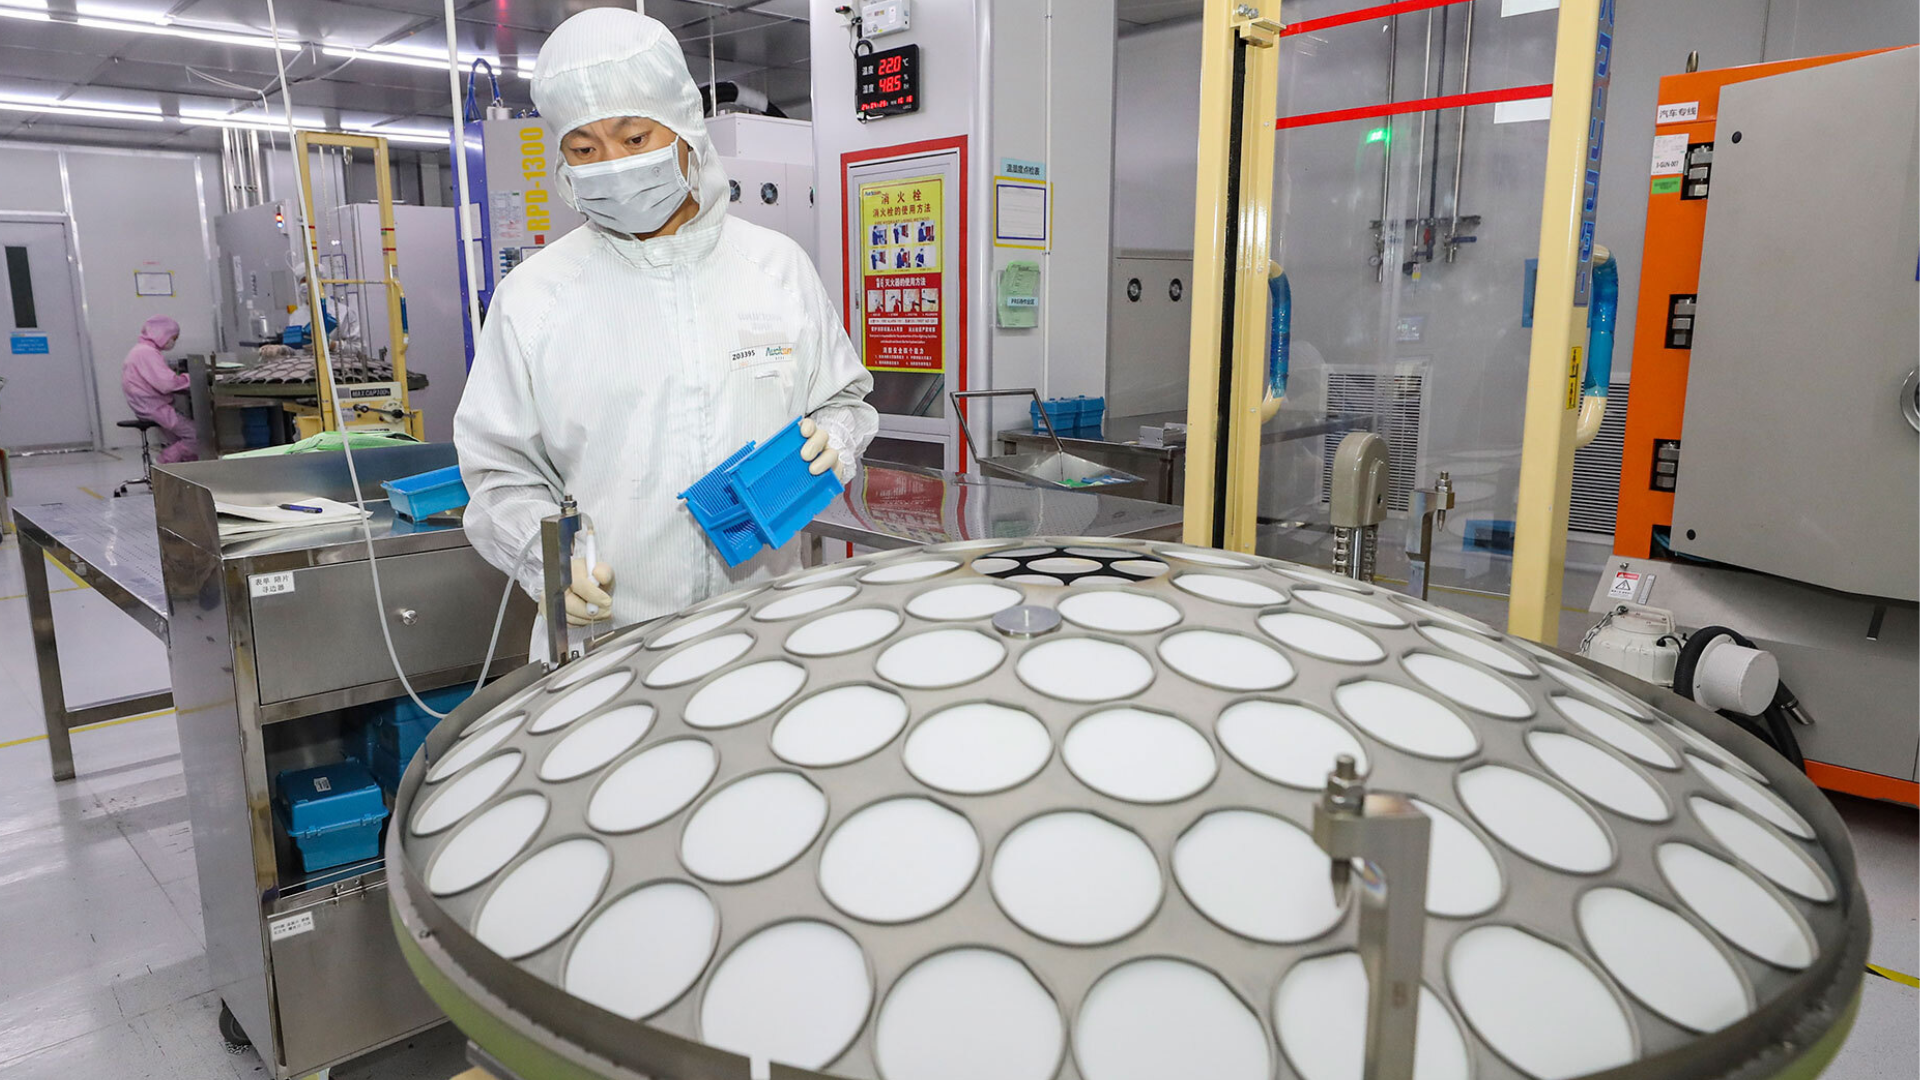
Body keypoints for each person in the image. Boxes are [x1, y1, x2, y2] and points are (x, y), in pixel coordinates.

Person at [456, 8, 877, 644]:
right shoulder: (533, 299)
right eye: (584, 148)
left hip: (759, 629)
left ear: (684, 130)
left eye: (633, 139)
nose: (612, 164)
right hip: (608, 642)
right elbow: (499, 474)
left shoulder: (774, 267)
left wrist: (838, 438)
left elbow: (843, 399)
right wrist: (546, 557)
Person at [120, 315, 197, 464]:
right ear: (162, 334)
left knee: (180, 440)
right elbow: (167, 384)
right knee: (197, 436)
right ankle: (162, 464)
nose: (173, 342)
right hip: (155, 408)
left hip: (148, 406)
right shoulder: (147, 353)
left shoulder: (141, 350)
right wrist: (191, 379)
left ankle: (186, 474)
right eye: (173, 338)